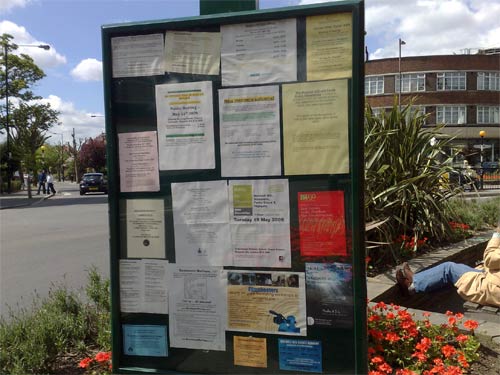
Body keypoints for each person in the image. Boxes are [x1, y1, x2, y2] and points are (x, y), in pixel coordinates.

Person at [396, 226, 500, 307]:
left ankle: (412, 285)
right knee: (457, 273)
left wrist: (497, 234)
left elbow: (489, 259)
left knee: (449, 269)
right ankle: (417, 282)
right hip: (494, 281)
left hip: (493, 288)